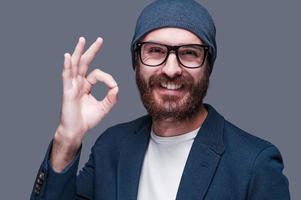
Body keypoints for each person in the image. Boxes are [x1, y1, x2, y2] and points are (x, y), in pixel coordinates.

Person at [30, 0, 290, 199]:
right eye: (155, 51)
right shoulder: (111, 147)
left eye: (189, 53)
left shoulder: (255, 164)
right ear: (136, 62)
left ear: (208, 66)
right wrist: (67, 138)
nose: (171, 69)